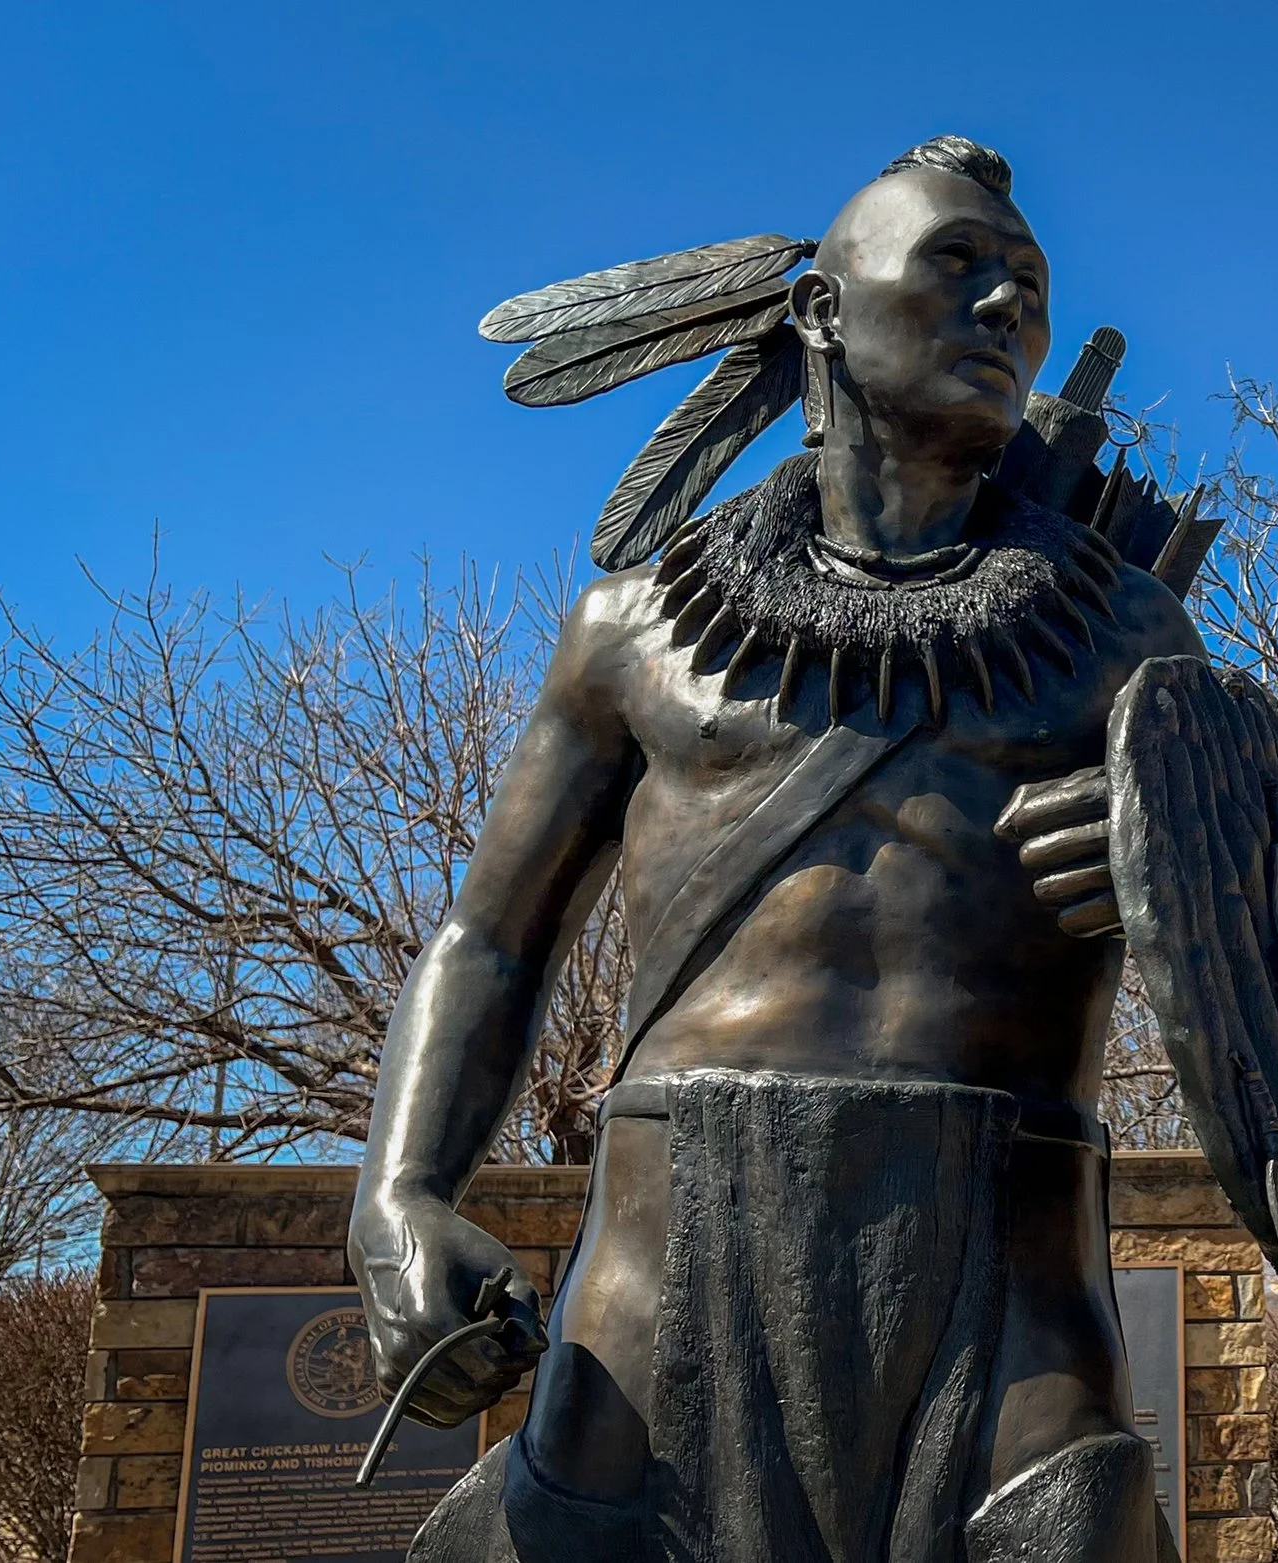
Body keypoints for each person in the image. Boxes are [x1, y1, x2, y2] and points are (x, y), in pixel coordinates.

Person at [348, 136, 1202, 1562]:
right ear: (820, 312)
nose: (1008, 308)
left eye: (1031, 286)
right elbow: (492, 936)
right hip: (671, 1249)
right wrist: (401, 1187)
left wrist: (1169, 895)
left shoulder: (1123, 640)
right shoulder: (634, 633)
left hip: (1007, 1250)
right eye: (958, 264)